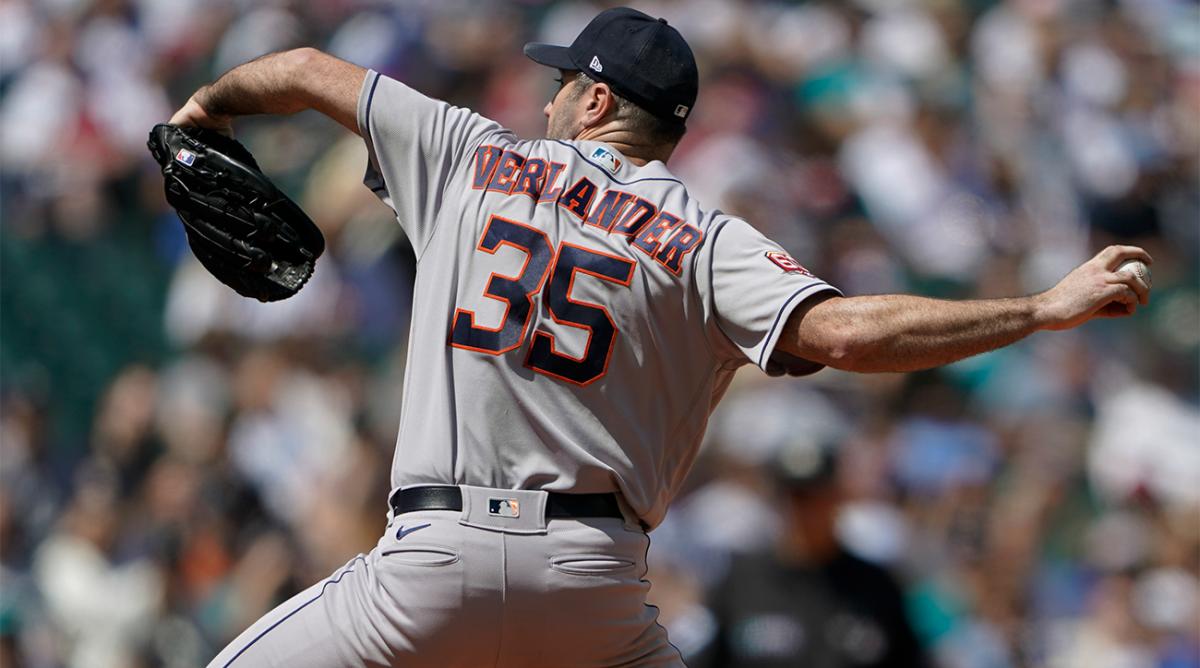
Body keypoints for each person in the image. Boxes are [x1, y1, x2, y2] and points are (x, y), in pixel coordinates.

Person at [166, 7, 1151, 667]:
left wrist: (206, 109)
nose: (547, 99)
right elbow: (848, 334)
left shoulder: (471, 151)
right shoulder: (708, 239)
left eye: (562, 84)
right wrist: (1038, 308)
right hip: (591, 584)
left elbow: (301, 70)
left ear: (595, 101)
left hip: (431, 565)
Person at [692, 440, 929, 668]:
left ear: (837, 499)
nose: (802, 509)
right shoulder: (740, 582)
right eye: (794, 496)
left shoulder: (878, 587)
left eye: (815, 496)